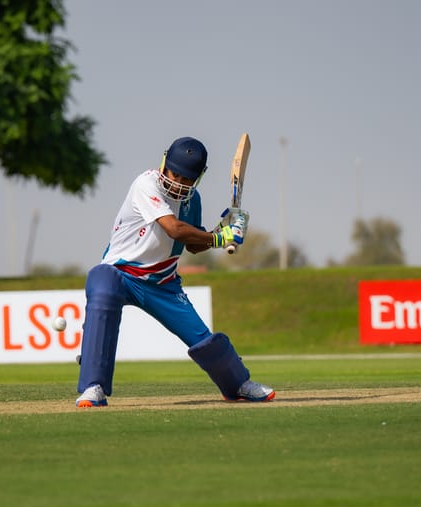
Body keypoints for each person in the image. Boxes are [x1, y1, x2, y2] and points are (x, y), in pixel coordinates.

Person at [75, 136, 275, 408]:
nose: (178, 183)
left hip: (163, 284)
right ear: (164, 165)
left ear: (198, 178)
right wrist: (220, 237)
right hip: (120, 274)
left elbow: (193, 244)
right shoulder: (146, 184)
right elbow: (174, 229)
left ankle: (238, 384)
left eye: (186, 179)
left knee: (202, 338)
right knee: (102, 286)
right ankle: (93, 387)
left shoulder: (193, 200)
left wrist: (224, 231)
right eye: (174, 174)